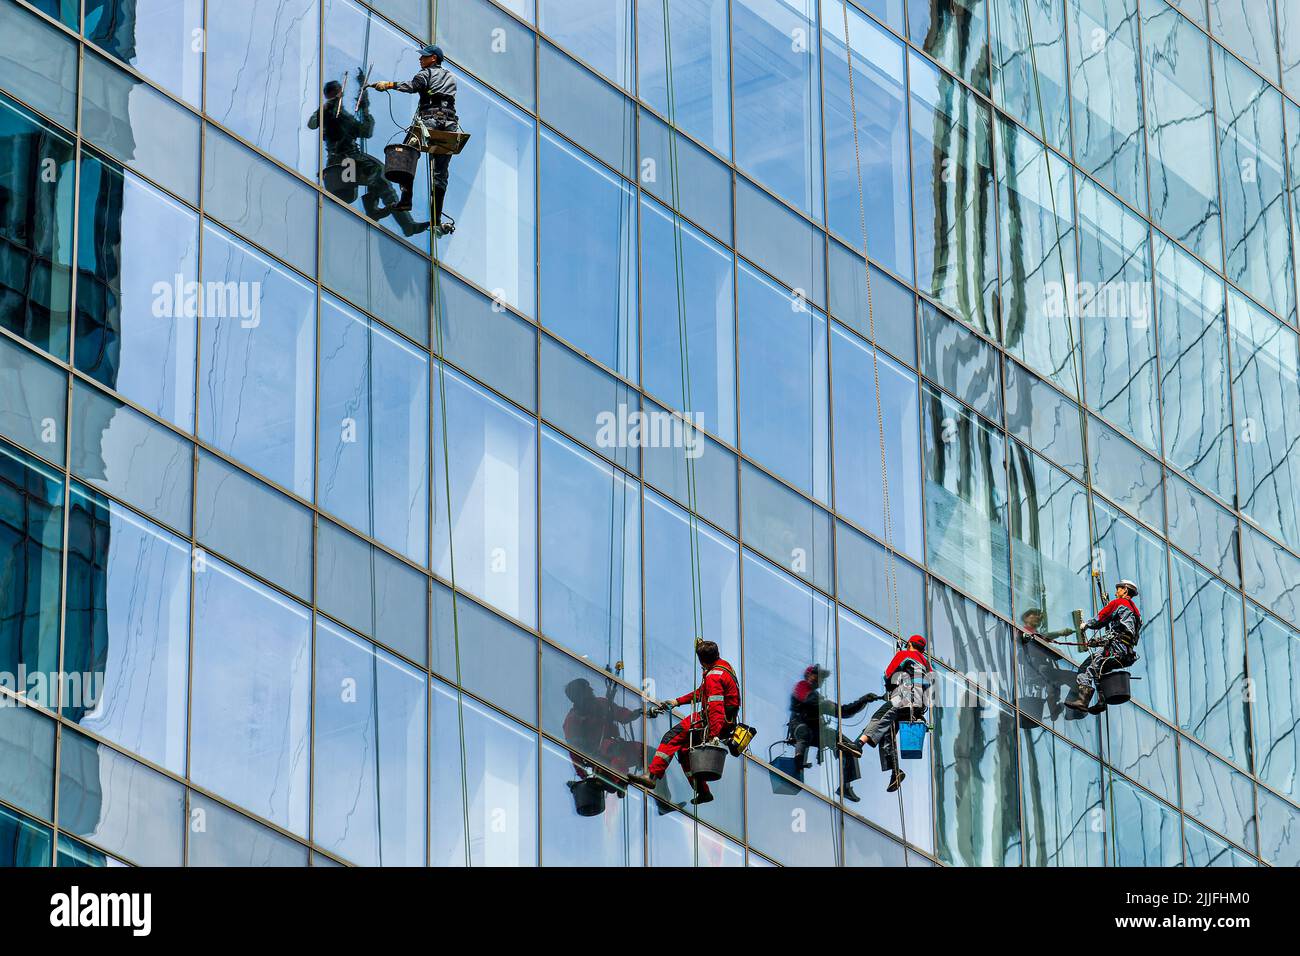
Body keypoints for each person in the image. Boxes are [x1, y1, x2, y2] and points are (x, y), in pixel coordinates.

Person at [308, 77, 429, 236]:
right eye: (337, 94)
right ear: (336, 94)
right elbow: (365, 130)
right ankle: (402, 222)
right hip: (346, 161)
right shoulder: (334, 115)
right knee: (379, 172)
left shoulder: (338, 115)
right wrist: (325, 109)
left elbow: (363, 130)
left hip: (345, 164)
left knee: (377, 178)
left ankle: (378, 212)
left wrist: (362, 97)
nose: (338, 97)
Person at [626, 640, 740, 806]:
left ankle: (651, 776)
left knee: (671, 736)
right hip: (721, 722)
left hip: (713, 721)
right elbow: (704, 692)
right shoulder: (723, 668)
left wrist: (714, 736)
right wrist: (677, 701)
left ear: (702, 661)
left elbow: (716, 708)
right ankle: (703, 792)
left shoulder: (713, 677)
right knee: (685, 751)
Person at [370, 44, 461, 234]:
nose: (420, 59)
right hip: (450, 126)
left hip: (430, 122)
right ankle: (436, 219)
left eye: (424, 57)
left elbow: (413, 86)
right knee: (440, 173)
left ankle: (405, 200)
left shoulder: (425, 74)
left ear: (433, 58)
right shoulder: (451, 77)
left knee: (404, 153)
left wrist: (388, 85)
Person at [838, 635, 933, 793]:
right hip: (917, 705)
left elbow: (888, 675)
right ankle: (895, 772)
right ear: (922, 649)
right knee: (886, 733)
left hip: (904, 697)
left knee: (880, 716)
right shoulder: (927, 665)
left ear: (909, 644)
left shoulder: (904, 655)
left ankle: (858, 745)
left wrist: (893, 685)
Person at [787, 665, 876, 802]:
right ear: (810, 676)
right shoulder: (802, 686)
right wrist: (823, 704)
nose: (820, 680)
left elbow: (844, 711)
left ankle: (845, 786)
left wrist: (863, 700)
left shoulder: (817, 697)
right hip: (799, 725)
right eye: (818, 676)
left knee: (847, 745)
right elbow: (807, 700)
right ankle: (797, 762)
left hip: (816, 731)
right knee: (803, 733)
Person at [1064, 580, 1141, 714]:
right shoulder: (1136, 613)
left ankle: (1082, 701)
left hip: (1115, 648)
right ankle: (1102, 701)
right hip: (1125, 653)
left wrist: (1087, 625)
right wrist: (1099, 641)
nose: (1116, 592)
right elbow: (1123, 633)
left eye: (1119, 589)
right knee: (1100, 671)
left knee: (1087, 667)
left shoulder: (1119, 603)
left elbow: (1101, 617)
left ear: (1125, 591)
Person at [561, 678, 643, 780]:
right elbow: (575, 751)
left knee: (646, 752)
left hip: (618, 747)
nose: (592, 690)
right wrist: (582, 774)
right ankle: (620, 780)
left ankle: (658, 788)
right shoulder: (572, 721)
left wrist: (634, 714)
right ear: (579, 695)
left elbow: (620, 713)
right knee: (611, 748)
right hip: (599, 759)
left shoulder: (602, 703)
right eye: (587, 688)